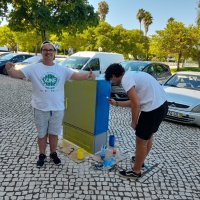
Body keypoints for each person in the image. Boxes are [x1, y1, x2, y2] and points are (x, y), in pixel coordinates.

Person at [5, 41, 95, 168]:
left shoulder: (61, 69)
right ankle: (42, 155)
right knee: (42, 134)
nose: (48, 52)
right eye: (45, 50)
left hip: (57, 108)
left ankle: (53, 153)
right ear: (42, 52)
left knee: (54, 133)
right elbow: (16, 74)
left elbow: (75, 75)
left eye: (50, 50)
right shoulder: (33, 68)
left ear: (54, 53)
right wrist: (9, 69)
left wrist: (88, 75)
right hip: (40, 107)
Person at [105, 63, 168, 179]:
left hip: (152, 110)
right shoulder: (132, 74)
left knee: (140, 141)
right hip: (161, 106)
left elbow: (136, 104)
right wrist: (117, 103)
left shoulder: (125, 80)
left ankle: (136, 171)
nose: (112, 83)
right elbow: (135, 101)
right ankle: (140, 160)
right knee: (147, 137)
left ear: (114, 75)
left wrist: (134, 122)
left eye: (111, 80)